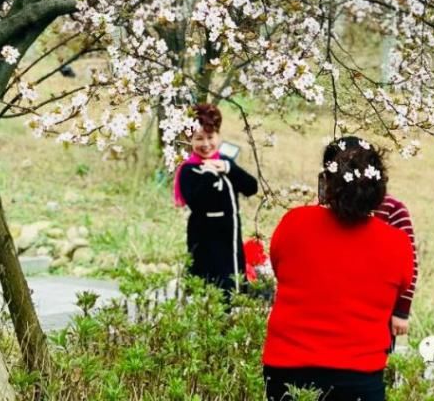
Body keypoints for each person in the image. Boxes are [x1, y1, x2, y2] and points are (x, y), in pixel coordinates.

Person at [263, 141, 413, 401]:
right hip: (359, 375)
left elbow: (280, 268)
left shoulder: (294, 223)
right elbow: (401, 287)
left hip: (286, 367)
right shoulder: (397, 244)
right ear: (379, 190)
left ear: (328, 183)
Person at [322, 136, 418, 346]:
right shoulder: (325, 212)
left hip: (380, 310)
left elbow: (409, 264)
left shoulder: (393, 209)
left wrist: (401, 311)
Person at [174, 102, 259, 298]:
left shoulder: (225, 163)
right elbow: (195, 201)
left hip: (228, 235)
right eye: (199, 139)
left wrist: (229, 169)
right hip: (202, 235)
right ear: (190, 140)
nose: (206, 144)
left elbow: (251, 187)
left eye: (210, 137)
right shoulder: (188, 170)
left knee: (230, 282)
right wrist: (208, 174)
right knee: (205, 284)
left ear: (218, 136)